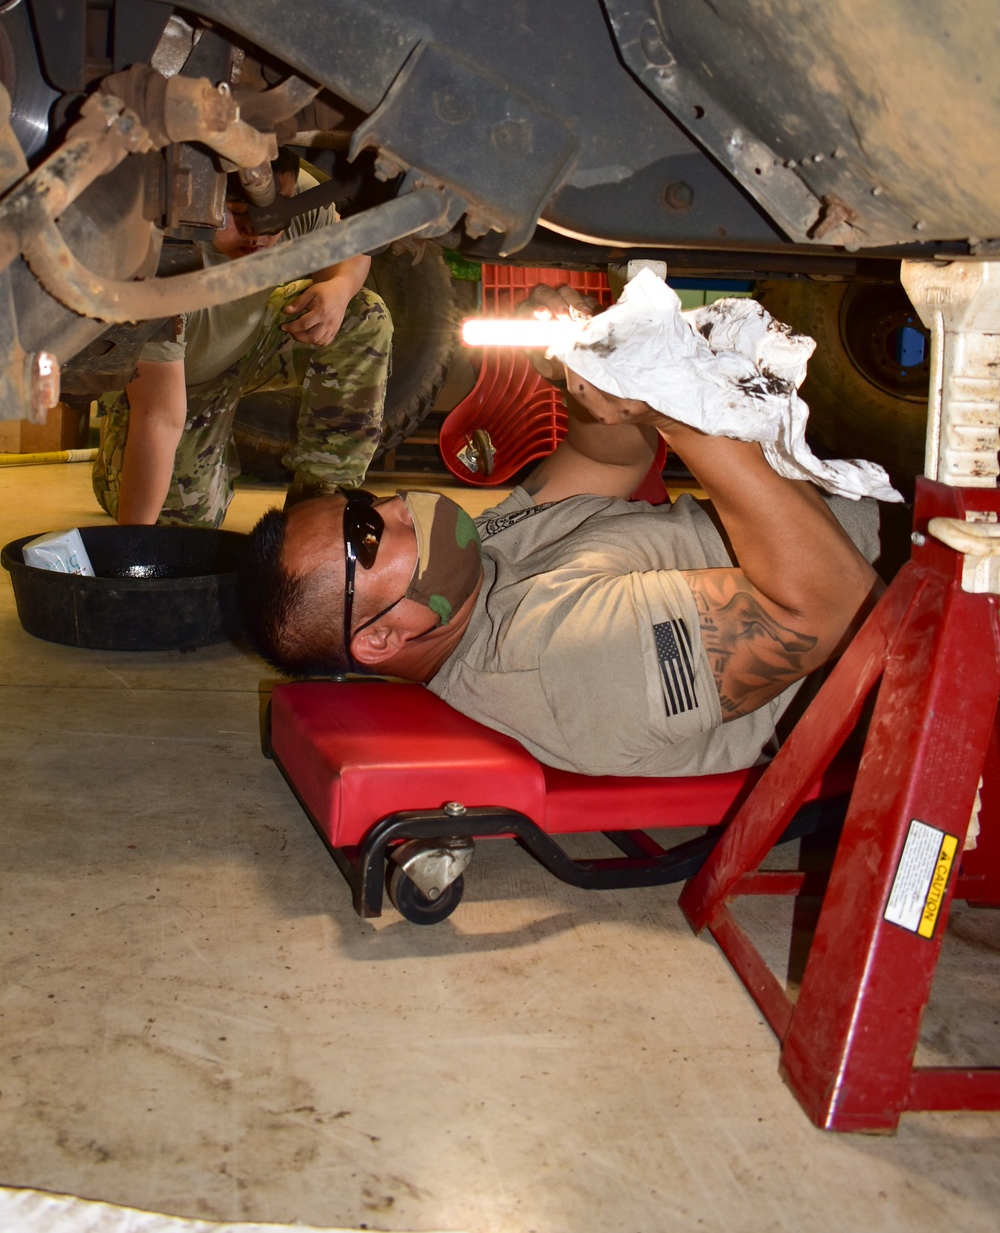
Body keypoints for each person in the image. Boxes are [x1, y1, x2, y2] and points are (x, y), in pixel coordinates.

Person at [240, 286, 882, 778]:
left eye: (356, 499)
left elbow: (611, 459)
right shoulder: (554, 658)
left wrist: (577, 370)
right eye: (364, 534)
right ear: (382, 637)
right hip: (934, 602)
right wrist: (671, 408)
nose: (381, 501)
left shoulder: (476, 566)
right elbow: (825, 608)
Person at [93, 150, 392, 527]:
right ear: (196, 193)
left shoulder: (290, 193)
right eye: (235, 212)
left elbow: (354, 246)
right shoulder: (153, 254)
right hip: (173, 385)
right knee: (181, 532)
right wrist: (132, 549)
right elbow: (159, 417)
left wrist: (340, 287)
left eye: (276, 219)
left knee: (364, 314)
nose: (259, 233)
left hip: (253, 343)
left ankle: (318, 513)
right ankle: (112, 472)